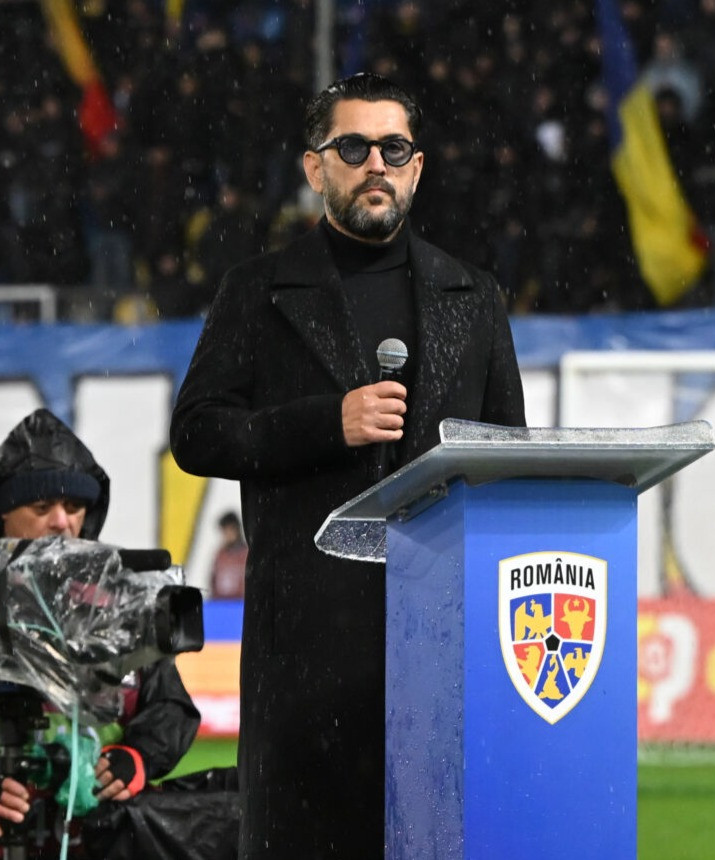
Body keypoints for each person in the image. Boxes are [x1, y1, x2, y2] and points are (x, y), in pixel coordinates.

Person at [169, 72, 527, 858]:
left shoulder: (474, 296)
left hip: (442, 647)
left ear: (417, 168)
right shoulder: (257, 291)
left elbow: (506, 460)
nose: (375, 164)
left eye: (393, 149)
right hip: (304, 652)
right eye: (354, 147)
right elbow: (196, 434)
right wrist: (325, 424)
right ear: (314, 166)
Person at [0, 408, 212, 859]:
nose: (61, 521)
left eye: (74, 508)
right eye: (41, 508)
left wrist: (136, 758)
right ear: (3, 514)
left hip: (101, 840)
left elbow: (169, 707)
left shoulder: (118, 599)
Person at [208, 511, 247, 601]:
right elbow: (213, 581)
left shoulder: (246, 555)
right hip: (221, 603)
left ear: (236, 529)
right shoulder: (220, 555)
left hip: (241, 603)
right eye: (224, 531)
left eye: (229, 529)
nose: (227, 534)